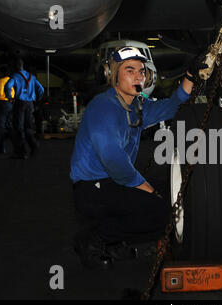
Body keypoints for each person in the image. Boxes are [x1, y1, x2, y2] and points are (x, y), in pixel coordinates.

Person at [70, 46, 198, 269]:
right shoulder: (104, 107)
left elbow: (172, 107)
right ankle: (94, 239)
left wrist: (190, 77)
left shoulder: (137, 105)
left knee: (174, 195)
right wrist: (147, 188)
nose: (139, 75)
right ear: (112, 76)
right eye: (130, 70)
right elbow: (113, 160)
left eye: (142, 71)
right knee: (160, 210)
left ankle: (117, 239)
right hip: (91, 188)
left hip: (114, 181)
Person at [4, 59, 45, 159]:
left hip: (20, 103)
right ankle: (34, 146)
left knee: (19, 127)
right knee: (29, 126)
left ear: (15, 67)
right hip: (30, 104)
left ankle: (21, 152)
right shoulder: (32, 77)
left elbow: (7, 86)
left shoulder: (15, 76)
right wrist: (37, 99)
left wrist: (9, 97)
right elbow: (41, 89)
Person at [0, 66, 14, 153]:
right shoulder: (11, 80)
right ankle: (17, 146)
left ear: (2, 73)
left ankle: (0, 148)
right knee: (10, 125)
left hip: (1, 103)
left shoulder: (0, 81)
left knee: (0, 125)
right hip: (10, 104)